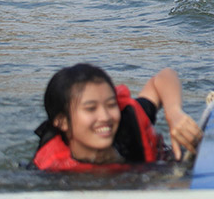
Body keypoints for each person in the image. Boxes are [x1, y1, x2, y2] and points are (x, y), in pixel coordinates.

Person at [32, 63, 202, 171]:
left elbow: (165, 76)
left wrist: (174, 113)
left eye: (111, 104)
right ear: (62, 122)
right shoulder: (52, 171)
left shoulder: (127, 121)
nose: (105, 116)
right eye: (91, 108)